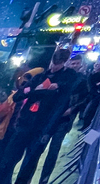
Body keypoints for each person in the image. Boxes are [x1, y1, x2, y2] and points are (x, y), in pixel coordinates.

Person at [23, 48, 88, 184]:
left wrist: (72, 109)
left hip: (64, 120)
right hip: (49, 118)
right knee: (36, 150)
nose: (74, 66)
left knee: (53, 151)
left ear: (81, 64)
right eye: (73, 63)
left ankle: (44, 180)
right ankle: (27, 178)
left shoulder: (81, 79)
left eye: (77, 64)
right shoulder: (63, 76)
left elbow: (86, 97)